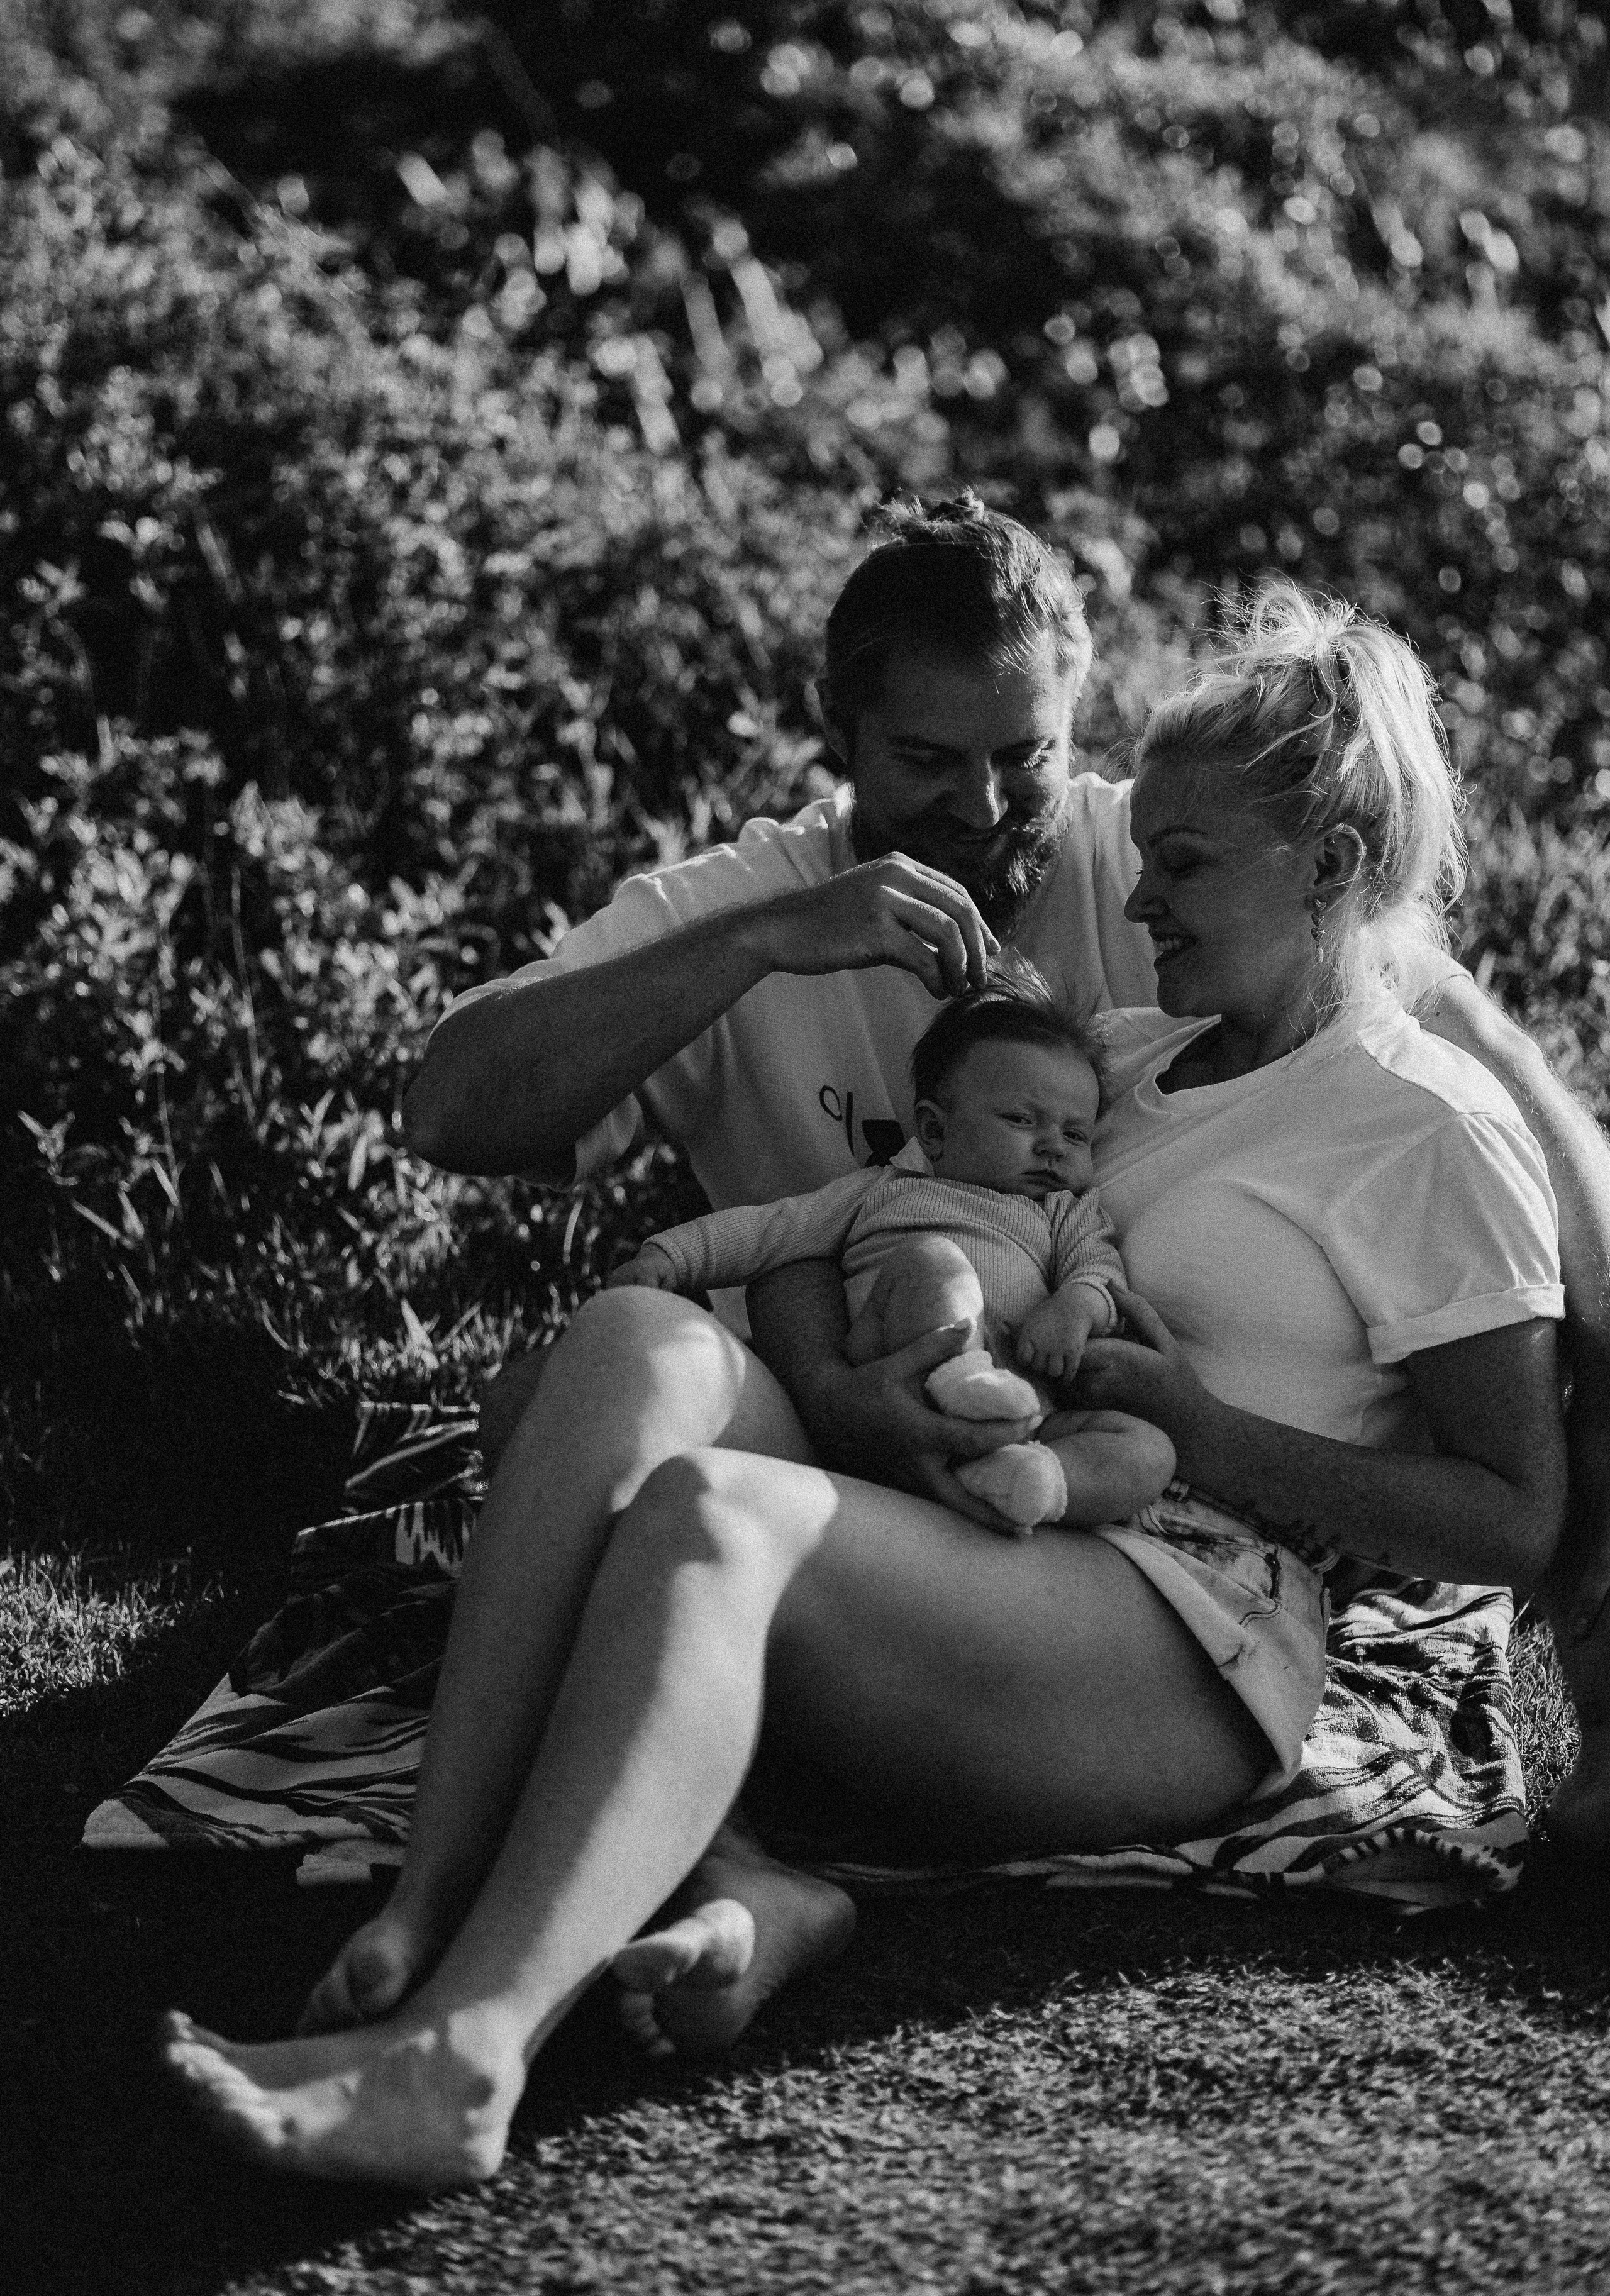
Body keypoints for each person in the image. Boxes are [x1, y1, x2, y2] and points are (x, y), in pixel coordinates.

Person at [162, 579, 1569, 2192]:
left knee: (709, 1516)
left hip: (1194, 1619)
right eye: (1149, 845)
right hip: (990, 1521)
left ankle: (466, 2049)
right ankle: (423, 1910)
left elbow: (1514, 1520)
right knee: (623, 1353)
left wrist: (1202, 1431)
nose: (1141, 884)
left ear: (1324, 866)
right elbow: (862, 1218)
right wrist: (831, 1379)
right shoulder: (1117, 1051)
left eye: (1178, 859)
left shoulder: (1421, 1127)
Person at [614, 977, 1174, 1530]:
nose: (1052, 1145)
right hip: (892, 1383)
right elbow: (771, 1230)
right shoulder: (881, 1192)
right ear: (933, 1131)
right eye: (1022, 1121)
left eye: (1075, 1135)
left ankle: (1034, 1481)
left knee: (1149, 1451)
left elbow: (1099, 1270)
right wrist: (669, 1259)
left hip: (1028, 1414)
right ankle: (962, 1385)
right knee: (932, 1262)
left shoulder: (1063, 1211)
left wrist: (1076, 1307)